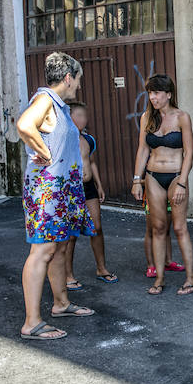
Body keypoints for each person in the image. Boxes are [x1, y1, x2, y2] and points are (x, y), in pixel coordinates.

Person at [17, 52, 96, 340]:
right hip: (47, 191)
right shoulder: (45, 100)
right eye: (77, 80)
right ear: (67, 77)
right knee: (43, 250)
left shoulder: (58, 104)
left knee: (60, 248)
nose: (78, 85)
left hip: (61, 189)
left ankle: (61, 303)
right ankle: (32, 322)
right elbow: (25, 125)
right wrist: (44, 152)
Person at [131, 74, 193, 296]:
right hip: (153, 176)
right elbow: (143, 149)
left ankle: (191, 279)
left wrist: (182, 182)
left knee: (180, 228)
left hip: (175, 177)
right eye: (150, 93)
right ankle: (159, 279)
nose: (153, 97)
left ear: (168, 94)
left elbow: (189, 152)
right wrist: (136, 179)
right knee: (158, 229)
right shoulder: (146, 118)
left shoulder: (182, 117)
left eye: (157, 92)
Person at [62, 101, 117, 289]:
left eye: (84, 116)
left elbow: (91, 163)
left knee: (97, 227)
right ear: (68, 118)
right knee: (71, 235)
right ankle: (68, 275)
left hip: (89, 188)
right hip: (72, 190)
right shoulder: (63, 141)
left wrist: (99, 185)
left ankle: (101, 268)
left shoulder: (88, 140)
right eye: (78, 116)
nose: (82, 120)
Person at [144, 198, 178, 277]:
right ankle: (151, 266)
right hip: (152, 194)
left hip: (169, 195)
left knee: (166, 230)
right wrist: (137, 184)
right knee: (151, 232)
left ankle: (168, 262)